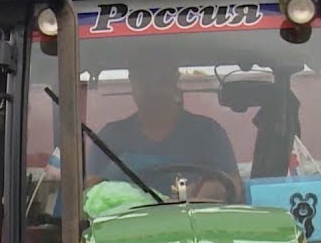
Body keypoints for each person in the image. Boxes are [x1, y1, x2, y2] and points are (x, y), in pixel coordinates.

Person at [85, 55, 243, 201]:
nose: (154, 90)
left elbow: (234, 185)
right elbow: (89, 193)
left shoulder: (208, 133)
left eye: (162, 80)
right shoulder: (109, 138)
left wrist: (207, 191)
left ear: (175, 79)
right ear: (132, 82)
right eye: (145, 81)